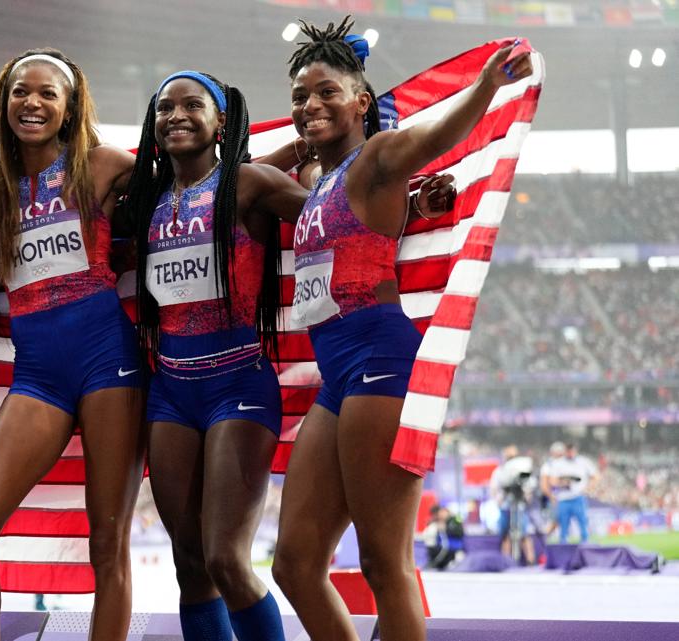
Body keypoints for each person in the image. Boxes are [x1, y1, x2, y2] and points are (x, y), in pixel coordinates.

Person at [270, 18, 533, 641]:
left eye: (327, 92)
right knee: (295, 562)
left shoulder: (380, 157)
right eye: (300, 98)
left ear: (362, 102)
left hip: (380, 360)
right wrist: (417, 206)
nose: (310, 106)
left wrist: (486, 85)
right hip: (338, 376)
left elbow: (434, 135)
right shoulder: (317, 184)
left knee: (384, 563)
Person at [0, 49, 146, 641]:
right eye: (19, 92)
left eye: (46, 94)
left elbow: (198, 180)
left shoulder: (106, 166)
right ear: (4, 103)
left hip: (110, 364)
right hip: (39, 378)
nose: (31, 103)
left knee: (107, 540)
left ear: (69, 107)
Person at [124, 71, 312, 641]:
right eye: (164, 108)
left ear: (221, 121)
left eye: (191, 105)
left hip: (238, 385)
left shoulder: (250, 185)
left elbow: (335, 215)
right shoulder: (146, 200)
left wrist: (409, 196)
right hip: (171, 393)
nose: (176, 115)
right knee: (190, 566)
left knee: (227, 559)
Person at [489, 445, 537, 564]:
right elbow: (494, 488)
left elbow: (530, 485)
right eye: (509, 456)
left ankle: (531, 561)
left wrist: (527, 494)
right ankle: (506, 561)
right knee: (505, 535)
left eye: (513, 456)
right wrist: (498, 499)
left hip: (520, 507)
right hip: (506, 506)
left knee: (524, 534)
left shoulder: (522, 470)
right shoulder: (500, 471)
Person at [544, 442, 600, 543]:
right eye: (568, 451)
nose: (570, 454)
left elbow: (596, 476)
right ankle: (563, 546)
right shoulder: (558, 463)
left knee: (583, 524)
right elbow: (552, 481)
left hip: (578, 497)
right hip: (563, 499)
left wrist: (588, 488)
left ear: (575, 451)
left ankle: (585, 545)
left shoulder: (583, 461)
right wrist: (563, 483)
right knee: (563, 526)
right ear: (565, 451)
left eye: (572, 451)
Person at [419, 505, 464, 570]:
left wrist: (446, 529)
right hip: (442, 547)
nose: (441, 515)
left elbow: (459, 532)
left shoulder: (455, 520)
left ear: (447, 511)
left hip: (453, 547)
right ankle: (434, 564)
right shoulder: (438, 521)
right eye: (440, 513)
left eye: (443, 512)